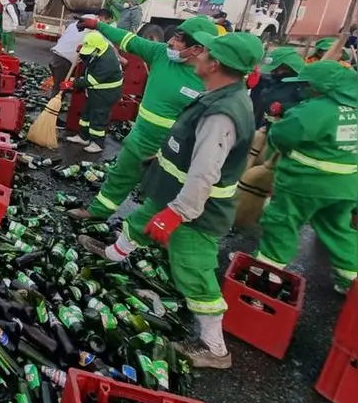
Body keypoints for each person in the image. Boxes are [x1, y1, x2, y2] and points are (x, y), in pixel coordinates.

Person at [79, 32, 264, 369]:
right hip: (171, 193)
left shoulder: (222, 112)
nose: (198, 55)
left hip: (197, 212)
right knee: (137, 223)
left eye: (205, 52)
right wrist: (163, 156)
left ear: (215, 64)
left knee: (194, 272)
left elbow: (205, 172)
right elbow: (190, 146)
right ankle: (111, 256)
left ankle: (214, 347)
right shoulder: (219, 95)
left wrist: (177, 214)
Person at [67, 15, 220, 221]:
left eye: (179, 39)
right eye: (174, 35)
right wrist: (98, 25)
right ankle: (97, 211)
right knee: (120, 175)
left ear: (197, 49)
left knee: (162, 193)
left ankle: (149, 232)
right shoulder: (160, 54)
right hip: (140, 137)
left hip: (173, 148)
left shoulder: (210, 78)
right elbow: (128, 40)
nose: (171, 42)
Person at [252, 61, 357, 292]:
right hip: (348, 187)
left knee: (282, 224)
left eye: (308, 84)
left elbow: (283, 136)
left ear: (322, 87)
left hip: (306, 183)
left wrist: (279, 124)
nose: (305, 88)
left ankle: (266, 278)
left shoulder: (315, 110)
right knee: (338, 229)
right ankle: (352, 281)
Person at [60, 30, 123, 153]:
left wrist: (72, 83)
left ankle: (98, 143)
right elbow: (89, 60)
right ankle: (84, 137)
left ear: (98, 48)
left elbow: (91, 80)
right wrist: (83, 53)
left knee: (98, 117)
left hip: (106, 93)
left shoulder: (107, 61)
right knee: (86, 113)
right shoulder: (100, 49)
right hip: (95, 91)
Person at [249, 47, 305, 129]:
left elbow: (304, 110)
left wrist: (284, 107)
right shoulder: (275, 81)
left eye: (276, 70)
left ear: (288, 68)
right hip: (261, 125)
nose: (273, 72)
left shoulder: (301, 88)